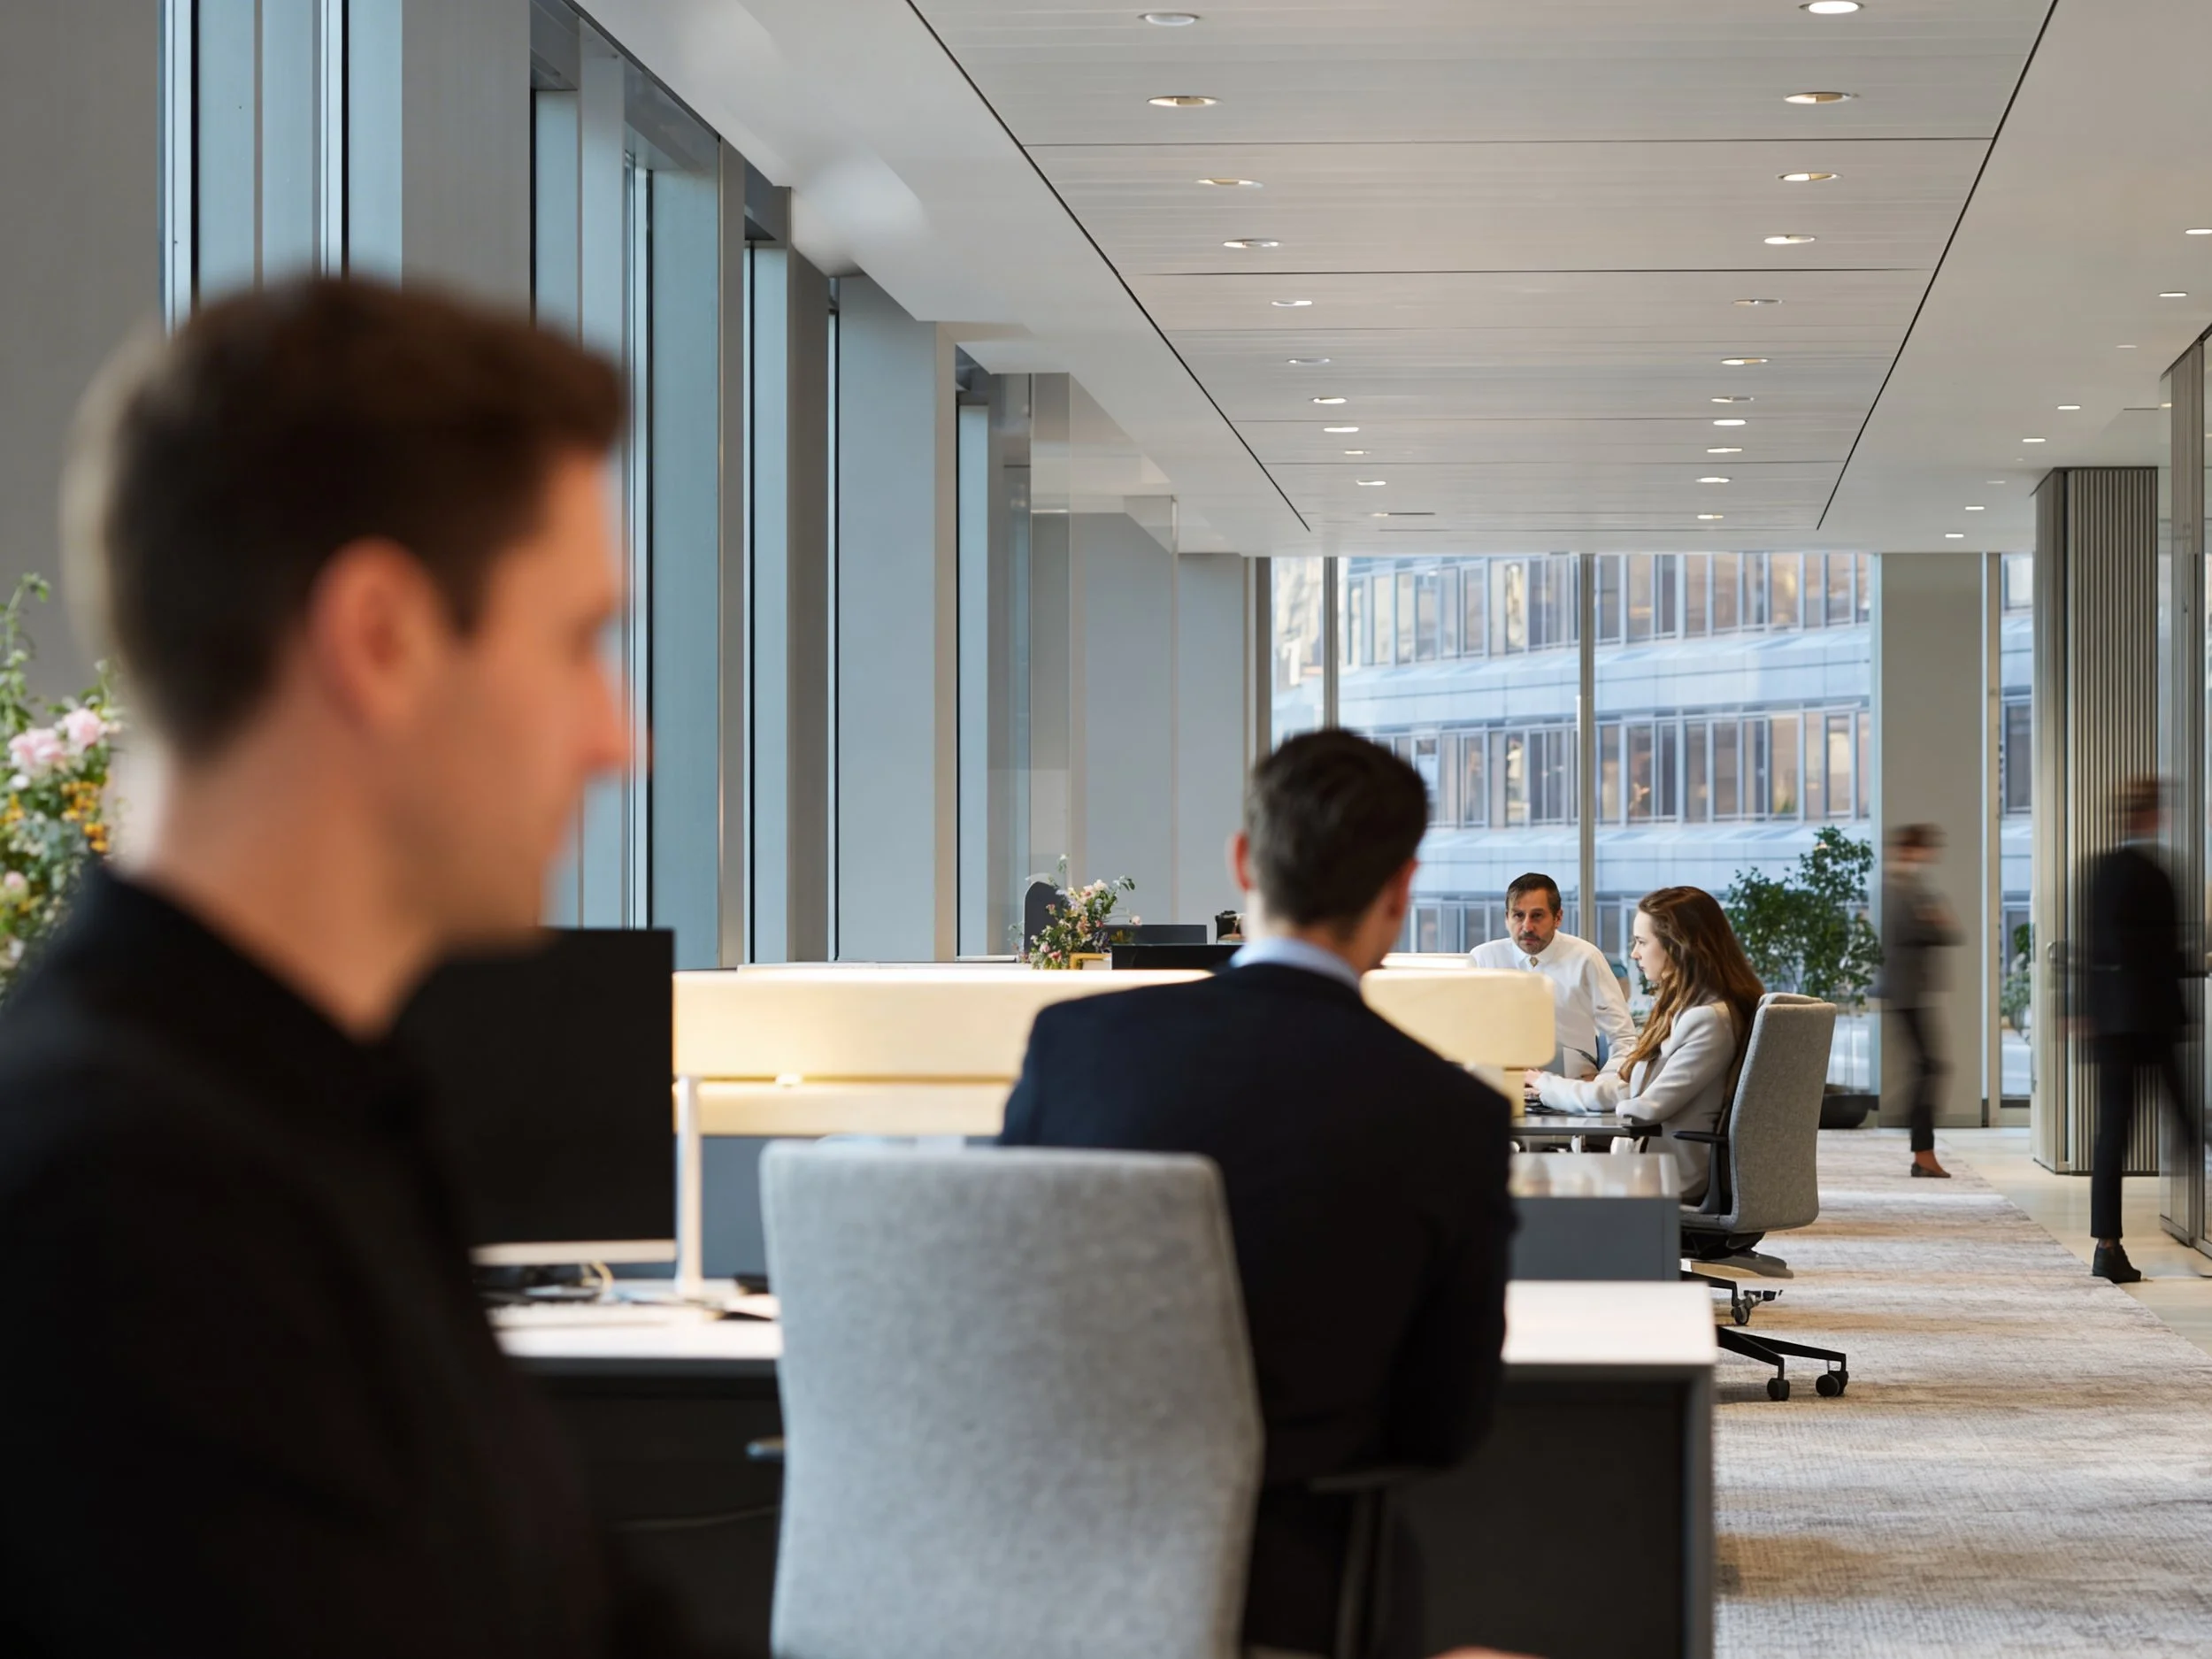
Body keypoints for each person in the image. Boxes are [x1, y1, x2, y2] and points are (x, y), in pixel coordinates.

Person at [0, 280, 703, 1655]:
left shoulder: (320, 1114)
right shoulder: (120, 1206)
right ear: (379, 637)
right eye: (578, 643)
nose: (620, 739)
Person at [1001, 729, 1514, 1659]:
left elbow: (1003, 1314)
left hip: (1048, 1579)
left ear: (1243, 862)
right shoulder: (1451, 1115)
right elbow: (1445, 1425)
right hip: (1297, 1601)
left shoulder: (1073, 1049)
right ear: (1399, 891)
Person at [1525, 887, 1763, 1202]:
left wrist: (1571, 1091)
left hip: (1671, 1175)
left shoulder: (1708, 1019)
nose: (1635, 954)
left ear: (1677, 946)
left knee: (1529, 1181)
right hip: (1658, 1165)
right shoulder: (1691, 1010)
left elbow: (1647, 1107)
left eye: (1641, 942)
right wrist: (1558, 1088)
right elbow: (1638, 1092)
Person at [2084, 777, 2195, 1285]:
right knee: (2187, 1124)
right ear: (2153, 816)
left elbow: (2091, 948)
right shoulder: (2156, 874)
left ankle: (2107, 1247)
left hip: (2112, 1020)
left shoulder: (2101, 871)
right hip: (2153, 1017)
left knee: (2112, 1133)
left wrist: (2085, 1010)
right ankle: (2203, 1221)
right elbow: (2164, 953)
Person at [1468, 871, 1636, 1079]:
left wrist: (1603, 1083)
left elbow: (1624, 1038)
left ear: (1558, 918)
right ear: (1506, 918)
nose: (1527, 926)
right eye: (1518, 915)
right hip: (1500, 1081)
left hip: (1572, 1084)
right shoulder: (1483, 959)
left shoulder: (1586, 958)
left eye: (1537, 916)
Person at [1875, 824, 1962, 1179]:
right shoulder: (1898, 888)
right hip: (1905, 991)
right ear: (1912, 848)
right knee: (1930, 1067)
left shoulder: (1911, 886)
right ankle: (1921, 1147)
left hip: (1912, 991)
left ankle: (1921, 1147)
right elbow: (1929, 930)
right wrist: (1934, 920)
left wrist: (1936, 920)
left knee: (1928, 1067)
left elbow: (1947, 930)